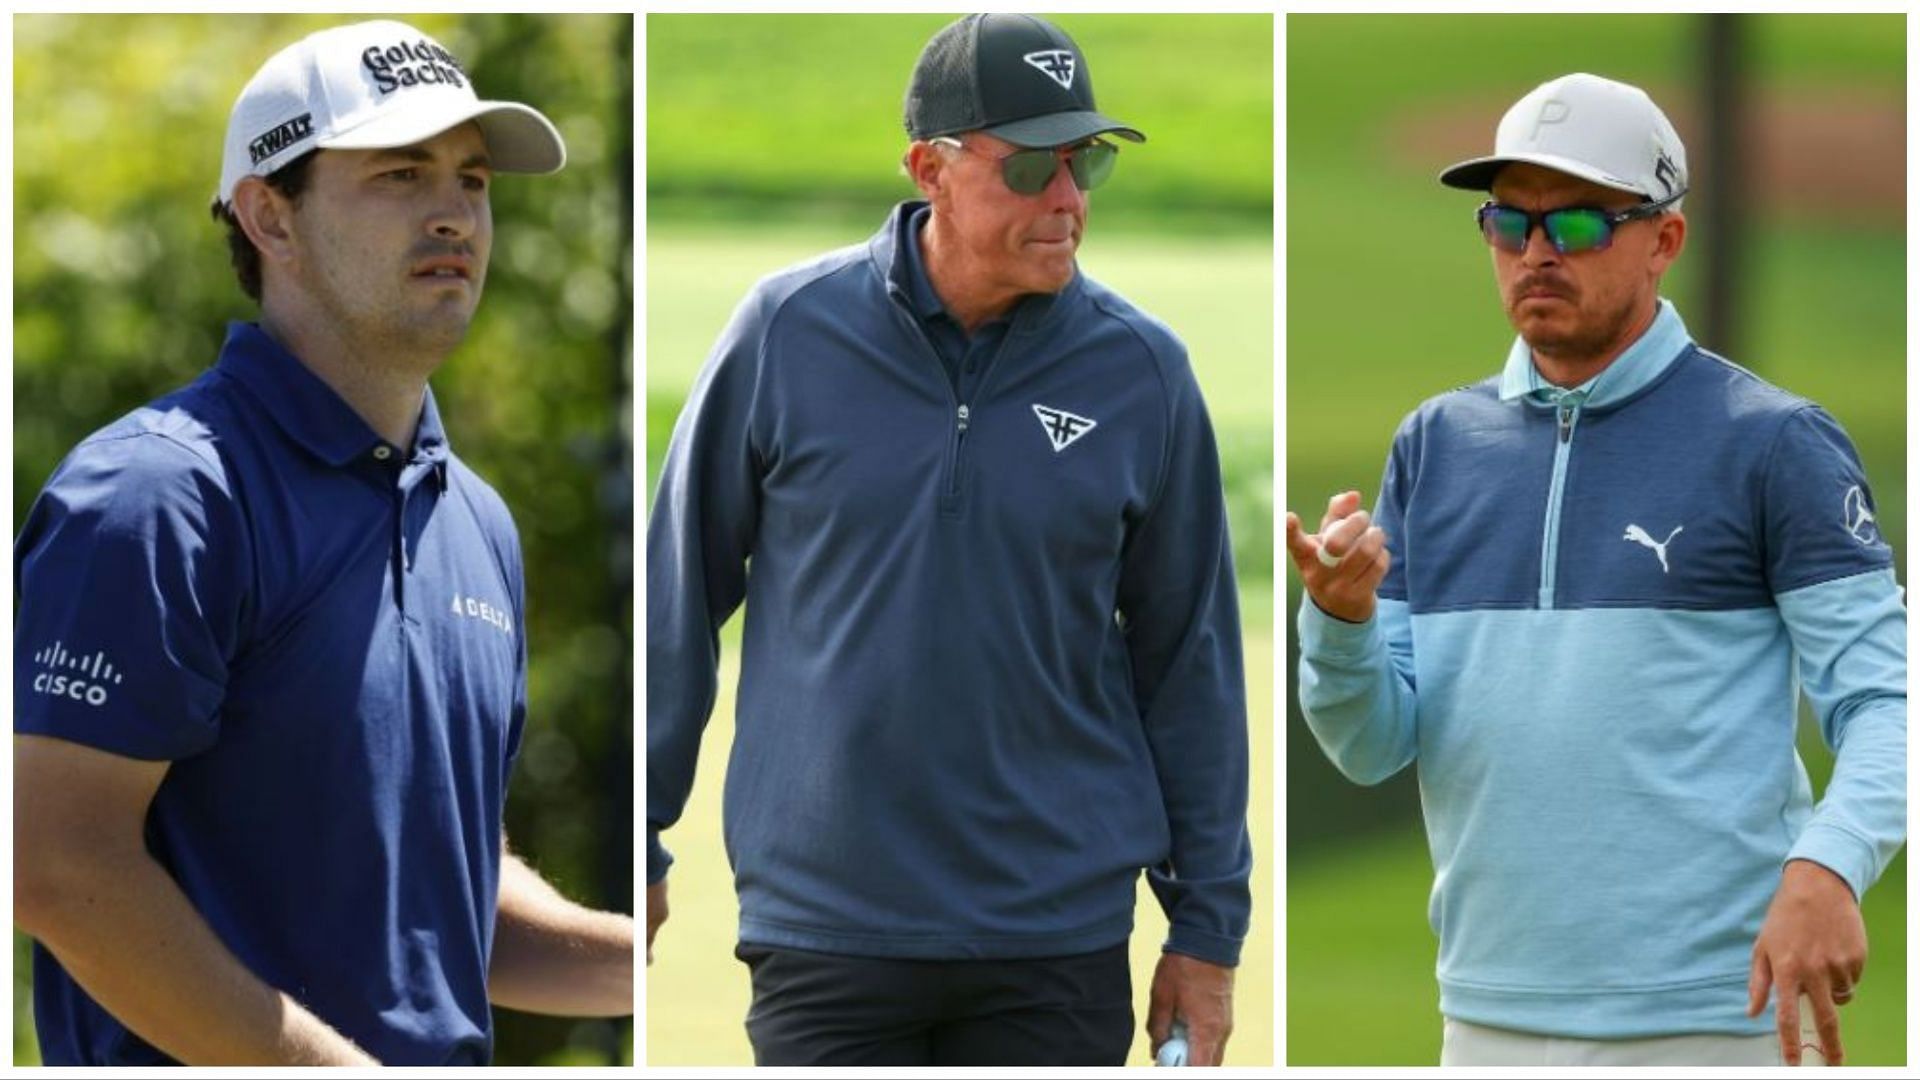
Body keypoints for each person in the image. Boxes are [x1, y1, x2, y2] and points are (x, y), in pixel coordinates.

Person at [13, 20, 633, 1066]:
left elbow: (431, 909)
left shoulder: (474, 520)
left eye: (474, 179)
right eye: (400, 172)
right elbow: (54, 862)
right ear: (270, 216)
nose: (455, 214)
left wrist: (657, 961)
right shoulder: (159, 495)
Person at [647, 12, 1250, 1067]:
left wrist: (1206, 932)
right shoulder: (786, 332)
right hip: (825, 930)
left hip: (1054, 944)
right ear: (932, 166)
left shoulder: (1144, 373)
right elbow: (675, 598)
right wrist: (633, 833)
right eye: (1031, 169)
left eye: (1087, 162)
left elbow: (1189, 663)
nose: (1067, 201)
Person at [1287, 72, 1905, 1067]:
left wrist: (1828, 869)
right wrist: (1341, 624)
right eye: (1508, 222)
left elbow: (1889, 701)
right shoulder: (1434, 444)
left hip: (1712, 1020)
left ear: (1665, 239)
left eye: (1576, 224)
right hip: (1485, 1019)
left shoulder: (1775, 441)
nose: (1536, 251)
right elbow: (1372, 744)